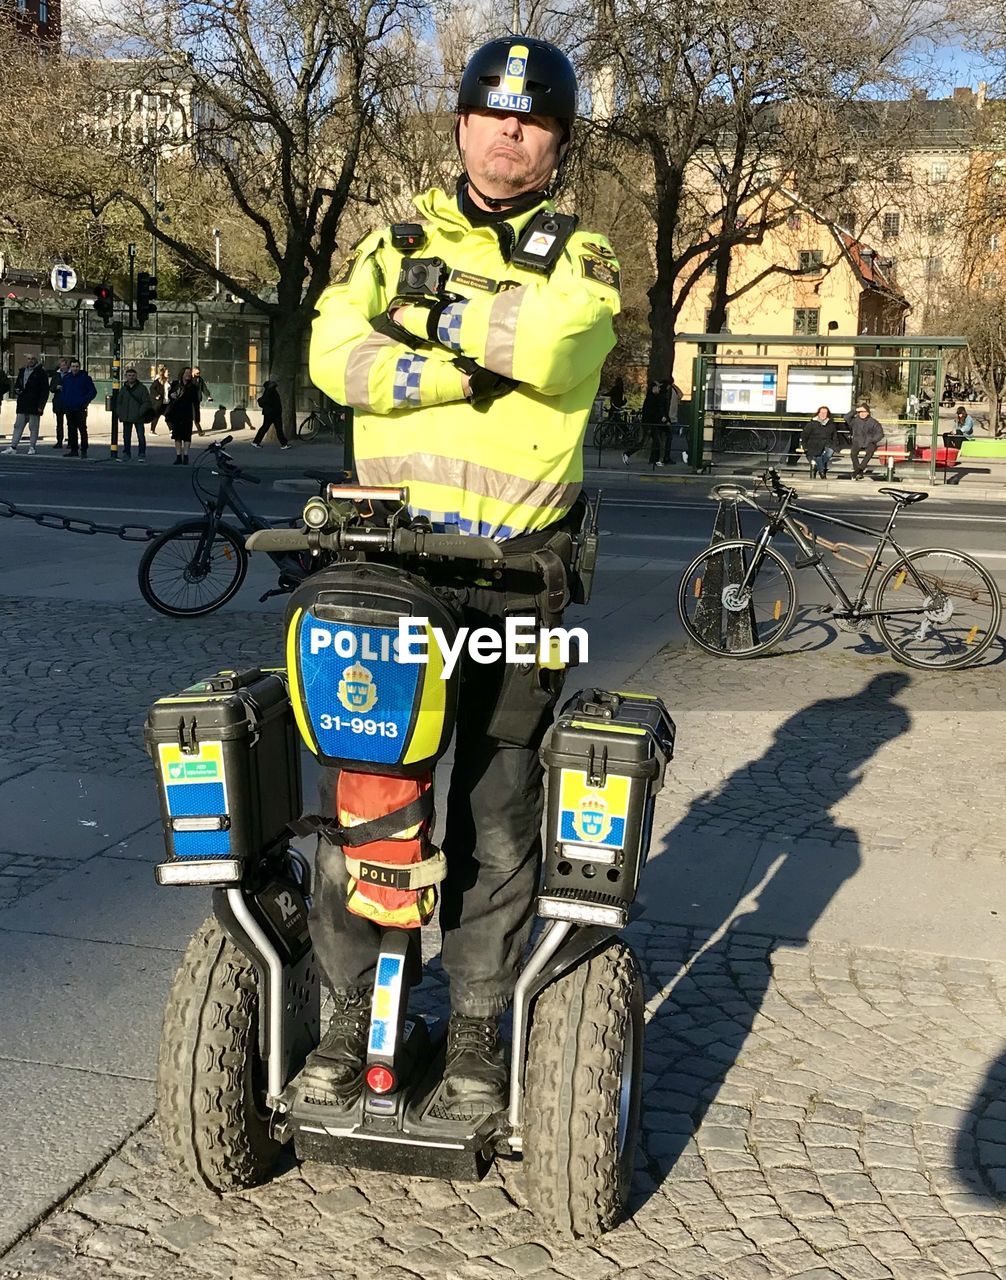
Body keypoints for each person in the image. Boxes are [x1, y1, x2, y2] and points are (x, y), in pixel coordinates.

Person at [306, 35, 618, 1117]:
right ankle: (355, 1013)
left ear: (557, 142)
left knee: (497, 807)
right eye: (491, 113)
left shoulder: (582, 253)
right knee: (375, 802)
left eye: (530, 119)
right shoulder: (390, 236)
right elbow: (329, 355)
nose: (507, 131)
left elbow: (563, 345)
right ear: (459, 125)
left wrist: (419, 324)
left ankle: (480, 1022)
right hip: (385, 574)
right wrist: (462, 356)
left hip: (514, 582)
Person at [2, 355, 49, 455]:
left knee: (33, 427)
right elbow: (17, 384)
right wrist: (17, 390)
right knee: (18, 426)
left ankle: (32, 447)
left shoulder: (40, 373)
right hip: (23, 403)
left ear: (36, 360)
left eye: (33, 359)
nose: (30, 361)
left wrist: (41, 406)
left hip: (34, 404)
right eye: (29, 359)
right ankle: (13, 447)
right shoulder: (22, 371)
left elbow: (45, 391)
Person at [623, 378, 670, 467]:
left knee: (655, 441)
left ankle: (654, 460)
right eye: (658, 388)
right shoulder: (651, 398)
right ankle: (627, 454)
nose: (659, 389)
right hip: (649, 423)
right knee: (645, 442)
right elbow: (652, 412)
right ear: (654, 388)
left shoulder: (653, 397)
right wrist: (661, 418)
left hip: (652, 423)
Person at [59, 359, 97, 458]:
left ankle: (84, 449)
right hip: (69, 408)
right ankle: (73, 450)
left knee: (82, 429)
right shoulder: (67, 378)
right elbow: (63, 392)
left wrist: (84, 402)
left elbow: (92, 392)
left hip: (80, 408)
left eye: (76, 366)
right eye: (73, 366)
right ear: (70, 367)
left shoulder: (85, 378)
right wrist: (65, 401)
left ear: (79, 367)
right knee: (71, 430)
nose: (75, 368)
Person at [116, 367, 154, 462]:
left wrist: (140, 412)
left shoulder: (142, 388)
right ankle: (126, 454)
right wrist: (120, 414)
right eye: (129, 375)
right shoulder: (124, 389)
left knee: (140, 436)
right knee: (126, 436)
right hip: (127, 417)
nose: (131, 377)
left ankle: (141, 454)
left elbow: (147, 402)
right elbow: (119, 402)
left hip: (139, 417)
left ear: (136, 376)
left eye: (133, 375)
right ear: (126, 377)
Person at [165, 366, 200, 464]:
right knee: (177, 436)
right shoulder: (176, 384)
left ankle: (186, 455)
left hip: (187, 413)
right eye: (186, 373)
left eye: (189, 373)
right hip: (176, 412)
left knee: (187, 435)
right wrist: (171, 395)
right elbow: (170, 394)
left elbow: (195, 402)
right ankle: (178, 456)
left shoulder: (193, 386)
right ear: (182, 374)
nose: (188, 375)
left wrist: (197, 417)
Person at [845, 401, 885, 479]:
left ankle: (859, 469)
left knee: (870, 452)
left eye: (864, 412)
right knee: (853, 453)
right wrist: (855, 410)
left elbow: (880, 433)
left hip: (870, 442)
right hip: (857, 441)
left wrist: (873, 440)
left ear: (868, 413)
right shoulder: (855, 421)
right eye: (860, 412)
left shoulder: (873, 422)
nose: (862, 414)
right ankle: (858, 471)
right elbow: (846, 417)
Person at [801, 405, 841, 479]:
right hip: (814, 444)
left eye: (825, 413)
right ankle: (822, 472)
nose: (823, 414)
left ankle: (816, 467)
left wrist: (836, 446)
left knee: (829, 453)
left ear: (827, 414)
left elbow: (835, 436)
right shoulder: (812, 424)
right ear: (818, 413)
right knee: (818, 454)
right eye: (821, 412)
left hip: (827, 444)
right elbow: (804, 435)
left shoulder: (831, 424)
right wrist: (804, 445)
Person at [252, 379, 290, 449]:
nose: (274, 383)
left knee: (266, 428)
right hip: (273, 413)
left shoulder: (269, 390)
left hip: (270, 413)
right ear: (270, 385)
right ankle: (284, 444)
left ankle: (256, 442)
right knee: (276, 429)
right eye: (272, 383)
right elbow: (270, 401)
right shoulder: (270, 391)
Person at [49, 358, 68, 449]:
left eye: (65, 365)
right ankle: (59, 441)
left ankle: (71, 442)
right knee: (59, 423)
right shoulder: (56, 375)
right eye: (62, 365)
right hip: (58, 402)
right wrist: (56, 387)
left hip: (68, 401)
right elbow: (51, 388)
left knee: (71, 423)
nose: (63, 367)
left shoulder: (70, 375)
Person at [191, 366, 213, 434]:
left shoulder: (200, 379)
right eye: (197, 373)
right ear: (193, 372)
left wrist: (208, 396)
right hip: (190, 400)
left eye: (199, 373)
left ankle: (198, 431)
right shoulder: (190, 380)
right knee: (192, 416)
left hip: (197, 400)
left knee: (196, 415)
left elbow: (204, 388)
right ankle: (199, 431)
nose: (198, 374)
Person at [149, 365, 170, 433]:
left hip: (166, 402)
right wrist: (156, 395)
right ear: (163, 373)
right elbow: (152, 388)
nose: (168, 373)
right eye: (167, 372)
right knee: (156, 417)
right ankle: (152, 430)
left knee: (168, 416)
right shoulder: (158, 380)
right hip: (159, 402)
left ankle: (171, 430)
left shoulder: (167, 381)